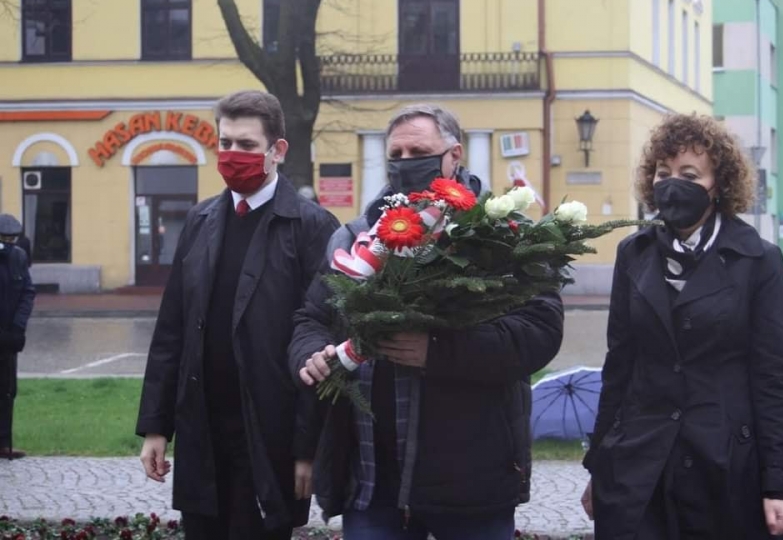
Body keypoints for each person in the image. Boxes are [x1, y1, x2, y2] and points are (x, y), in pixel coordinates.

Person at [289, 104, 564, 539]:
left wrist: (437, 351)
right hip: (371, 481)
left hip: (471, 483)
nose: (405, 162)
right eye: (395, 154)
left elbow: (539, 332)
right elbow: (312, 317)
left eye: (418, 152)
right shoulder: (357, 236)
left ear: (455, 155)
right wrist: (310, 353)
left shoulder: (501, 235)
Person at [582, 114, 783, 539]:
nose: (672, 184)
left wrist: (777, 486)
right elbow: (619, 365)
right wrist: (599, 465)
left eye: (689, 174)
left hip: (724, 462)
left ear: (719, 184)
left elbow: (774, 378)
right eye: (663, 173)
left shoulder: (758, 259)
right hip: (640, 465)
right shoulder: (633, 254)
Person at [135, 90, 339, 539]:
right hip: (203, 432)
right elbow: (172, 330)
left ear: (277, 150)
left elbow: (322, 343)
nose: (232, 155)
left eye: (246, 145)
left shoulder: (311, 227)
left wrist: (307, 449)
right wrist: (155, 427)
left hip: (269, 437)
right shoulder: (200, 220)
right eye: (224, 143)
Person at [0, 214, 35, 460]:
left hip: (9, 336)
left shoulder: (18, 257)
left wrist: (17, 327)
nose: (9, 244)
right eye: (5, 239)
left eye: (12, 239)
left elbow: (27, 293)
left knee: (7, 390)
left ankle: (3, 443)